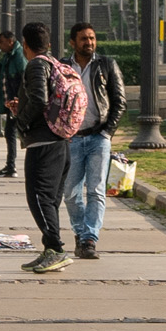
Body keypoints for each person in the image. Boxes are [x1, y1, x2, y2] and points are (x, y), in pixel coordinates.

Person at [8, 22, 75, 273]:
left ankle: (56, 249)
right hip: (59, 140)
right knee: (50, 199)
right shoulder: (54, 64)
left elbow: (39, 99)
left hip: (44, 142)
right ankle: (49, 248)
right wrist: (22, 108)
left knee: (39, 198)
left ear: (25, 44)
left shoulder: (36, 64)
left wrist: (21, 121)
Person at [63, 23, 126, 260]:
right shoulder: (63, 67)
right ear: (73, 42)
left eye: (92, 38)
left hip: (98, 137)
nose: (89, 42)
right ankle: (80, 232)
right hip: (71, 139)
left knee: (97, 191)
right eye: (83, 39)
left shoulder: (106, 65)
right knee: (70, 192)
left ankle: (89, 238)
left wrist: (107, 132)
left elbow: (119, 101)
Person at [0, 29, 25, 179]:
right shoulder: (7, 56)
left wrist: (20, 99)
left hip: (17, 103)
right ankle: (10, 165)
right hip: (11, 103)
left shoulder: (18, 56)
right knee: (10, 133)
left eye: (1, 42)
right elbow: (2, 75)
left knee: (13, 133)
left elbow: (25, 77)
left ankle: (12, 166)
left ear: (10, 42)